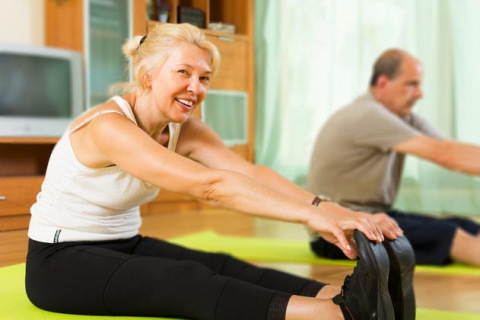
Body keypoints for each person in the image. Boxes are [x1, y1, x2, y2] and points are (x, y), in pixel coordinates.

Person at [25, 23, 407, 320]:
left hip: (122, 242)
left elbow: (249, 172)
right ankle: (341, 314)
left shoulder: (182, 127)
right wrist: (310, 215)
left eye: (204, 77)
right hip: (59, 262)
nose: (196, 88)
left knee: (223, 265)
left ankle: (347, 294)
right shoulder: (109, 127)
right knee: (188, 282)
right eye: (183, 73)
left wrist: (328, 207)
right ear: (148, 76)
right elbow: (209, 186)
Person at [307, 48, 480, 268]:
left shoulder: (401, 117)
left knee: (464, 224)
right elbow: (445, 155)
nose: (419, 93)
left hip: (376, 216)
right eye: (411, 84)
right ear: (383, 84)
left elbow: (450, 148)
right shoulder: (368, 115)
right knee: (451, 235)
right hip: (338, 234)